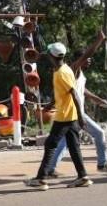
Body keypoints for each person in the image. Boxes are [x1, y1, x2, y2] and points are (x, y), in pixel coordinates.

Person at [44, 30, 107, 177]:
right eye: (86, 59)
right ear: (79, 60)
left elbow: (82, 91)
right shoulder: (73, 69)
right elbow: (86, 55)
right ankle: (102, 164)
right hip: (75, 112)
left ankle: (50, 169)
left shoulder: (78, 75)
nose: (89, 61)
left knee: (64, 142)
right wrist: (99, 40)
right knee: (98, 133)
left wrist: (99, 100)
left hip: (71, 113)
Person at [26, 43, 91, 190]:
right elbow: (63, 92)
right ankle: (83, 177)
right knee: (74, 147)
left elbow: (74, 94)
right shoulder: (62, 69)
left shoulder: (62, 73)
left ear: (52, 56)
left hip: (65, 116)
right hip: (70, 115)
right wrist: (50, 104)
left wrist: (81, 117)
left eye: (48, 53)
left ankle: (41, 178)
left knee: (50, 145)